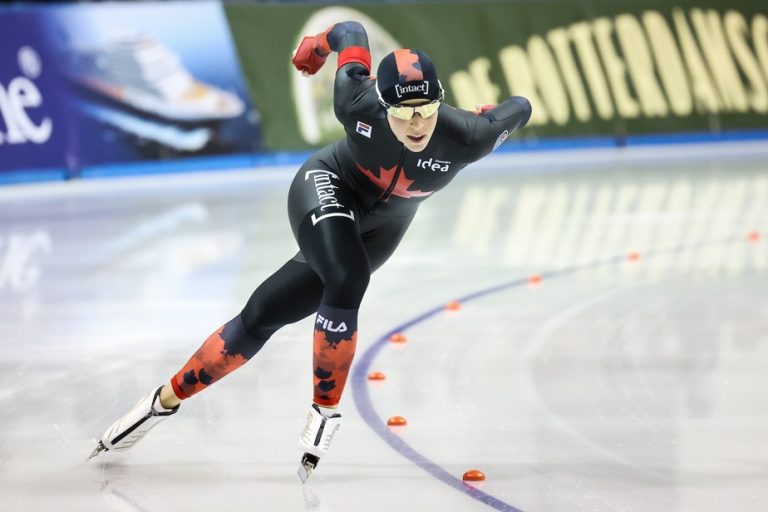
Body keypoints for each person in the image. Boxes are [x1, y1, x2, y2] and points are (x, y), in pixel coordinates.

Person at [88, 21, 531, 481]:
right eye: (403, 110)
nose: (417, 122)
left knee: (262, 314)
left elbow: (521, 107)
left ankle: (161, 401)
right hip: (328, 185)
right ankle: (323, 412)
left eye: (427, 108)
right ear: (381, 103)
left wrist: (495, 113)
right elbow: (351, 31)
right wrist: (316, 48)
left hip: (386, 227)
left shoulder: (470, 136)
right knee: (347, 278)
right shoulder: (354, 98)